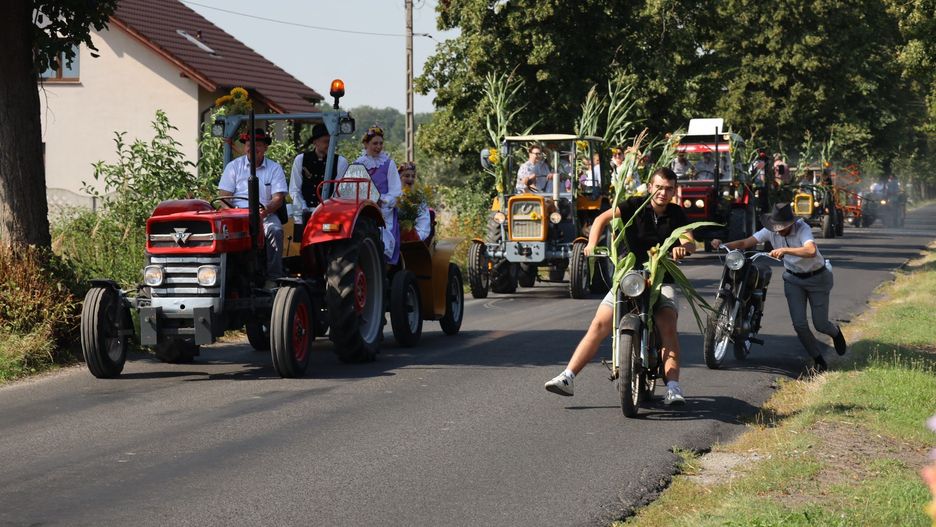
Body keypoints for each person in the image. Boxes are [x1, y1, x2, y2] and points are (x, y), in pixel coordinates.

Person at [544, 167, 696, 405]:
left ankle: (673, 388)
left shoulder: (676, 213)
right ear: (650, 187)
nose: (663, 193)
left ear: (674, 191)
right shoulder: (634, 205)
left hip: (662, 279)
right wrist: (591, 244)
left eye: (668, 189)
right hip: (630, 276)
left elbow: (689, 241)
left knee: (667, 325)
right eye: (658, 187)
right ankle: (567, 377)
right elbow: (601, 219)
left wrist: (683, 248)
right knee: (600, 323)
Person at [711, 202, 847, 372]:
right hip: (793, 279)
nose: (778, 230)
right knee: (799, 324)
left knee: (821, 324)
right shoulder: (770, 231)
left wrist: (785, 250)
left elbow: (811, 250)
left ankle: (835, 333)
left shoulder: (802, 228)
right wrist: (723, 244)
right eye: (776, 227)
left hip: (817, 278)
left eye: (782, 227)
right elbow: (746, 242)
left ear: (791, 223)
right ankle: (818, 359)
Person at [218, 128, 288, 280]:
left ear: (265, 148)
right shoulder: (233, 167)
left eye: (258, 145)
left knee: (275, 230)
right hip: (237, 214)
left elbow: (278, 199)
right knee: (219, 234)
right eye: (250, 144)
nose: (253, 148)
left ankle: (274, 278)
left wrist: (264, 212)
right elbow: (224, 197)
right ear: (245, 147)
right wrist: (234, 213)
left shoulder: (275, 169)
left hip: (265, 214)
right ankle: (222, 276)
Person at [354, 126, 402, 264]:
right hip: (364, 209)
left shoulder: (388, 164)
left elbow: (396, 191)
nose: (379, 147)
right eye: (375, 143)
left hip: (384, 212)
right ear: (366, 144)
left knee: (384, 242)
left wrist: (383, 201)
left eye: (381, 143)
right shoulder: (358, 164)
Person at [289, 123, 349, 217]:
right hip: (305, 211)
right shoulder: (301, 159)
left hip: (330, 211)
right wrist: (304, 209)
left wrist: (327, 208)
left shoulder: (341, 162)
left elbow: (339, 191)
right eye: (326, 141)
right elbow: (295, 189)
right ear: (315, 142)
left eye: (332, 142)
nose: (330, 145)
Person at [398, 161, 431, 242]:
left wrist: (416, 236)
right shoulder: (393, 196)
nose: (410, 179)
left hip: (414, 239)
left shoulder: (419, 198)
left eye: (413, 176)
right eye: (407, 176)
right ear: (399, 177)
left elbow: (424, 222)